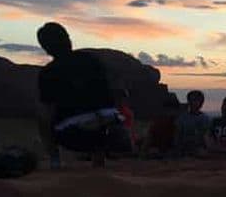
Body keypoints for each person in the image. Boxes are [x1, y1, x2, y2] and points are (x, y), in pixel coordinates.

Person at [36, 22, 132, 168]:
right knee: (100, 115)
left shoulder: (48, 73)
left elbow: (46, 111)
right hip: (114, 130)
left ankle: (55, 161)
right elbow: (118, 92)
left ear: (46, 48)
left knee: (43, 116)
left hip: (76, 135)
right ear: (68, 39)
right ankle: (99, 159)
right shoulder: (92, 59)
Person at [140, 92, 181, 158]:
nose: (170, 112)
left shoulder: (178, 122)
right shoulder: (158, 122)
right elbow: (149, 137)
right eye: (169, 109)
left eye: (172, 109)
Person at [175, 90, 210, 157]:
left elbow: (206, 136)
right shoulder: (182, 118)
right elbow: (178, 135)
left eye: (196, 100)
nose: (193, 103)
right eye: (191, 100)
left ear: (201, 103)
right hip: (184, 148)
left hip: (199, 148)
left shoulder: (205, 119)